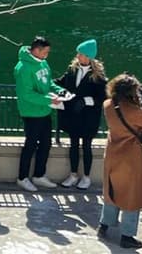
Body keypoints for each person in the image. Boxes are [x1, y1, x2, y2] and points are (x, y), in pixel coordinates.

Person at [97, 74, 142, 250]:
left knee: (112, 189)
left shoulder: (107, 105)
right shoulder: (135, 111)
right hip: (131, 155)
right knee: (131, 195)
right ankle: (127, 235)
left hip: (112, 152)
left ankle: (104, 224)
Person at [14, 35, 65, 191]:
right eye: (45, 52)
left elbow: (48, 82)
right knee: (30, 145)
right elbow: (27, 94)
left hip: (44, 111)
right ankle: (22, 177)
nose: (46, 55)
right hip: (30, 113)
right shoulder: (23, 68)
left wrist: (59, 90)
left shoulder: (42, 63)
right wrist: (49, 101)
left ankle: (39, 175)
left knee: (46, 144)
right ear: (36, 50)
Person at [55, 38, 107, 190]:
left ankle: (86, 177)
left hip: (89, 118)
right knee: (73, 145)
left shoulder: (98, 76)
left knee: (86, 147)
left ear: (89, 56)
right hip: (73, 115)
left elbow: (102, 97)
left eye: (81, 54)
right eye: (78, 53)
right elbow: (61, 82)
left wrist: (86, 101)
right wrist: (47, 84)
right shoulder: (72, 70)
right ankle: (73, 174)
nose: (78, 56)